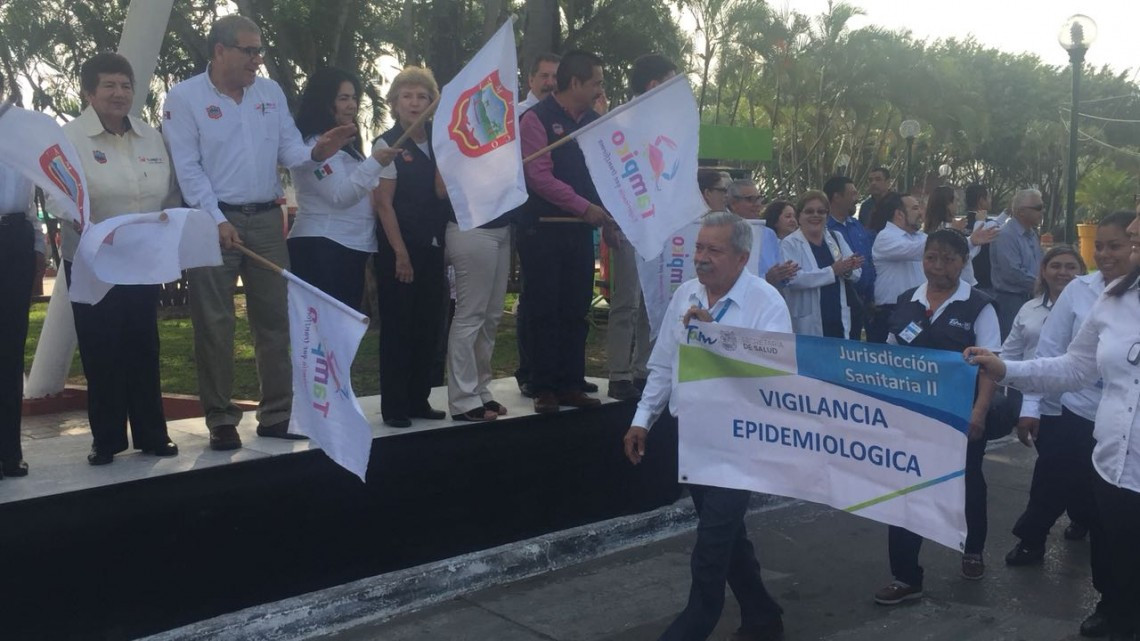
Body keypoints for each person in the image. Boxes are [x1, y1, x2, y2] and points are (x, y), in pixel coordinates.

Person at [163, 15, 354, 450]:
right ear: (220, 51)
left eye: (259, 50)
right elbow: (188, 169)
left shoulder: (268, 92)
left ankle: (276, 415)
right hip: (211, 220)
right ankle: (221, 418)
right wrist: (216, 219)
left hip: (267, 217)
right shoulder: (184, 97)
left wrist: (317, 150)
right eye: (249, 51)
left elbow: (289, 149)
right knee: (215, 322)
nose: (257, 59)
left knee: (274, 321)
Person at [966, 207, 1140, 641]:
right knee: (1116, 549)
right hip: (1115, 463)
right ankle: (1115, 609)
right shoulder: (1112, 299)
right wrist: (1006, 369)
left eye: (1133, 241)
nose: (1122, 251)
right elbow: (1073, 367)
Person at [623, 212, 789, 641]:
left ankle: (693, 625)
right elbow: (662, 364)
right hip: (692, 436)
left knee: (711, 545)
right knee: (729, 538)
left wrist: (716, 337)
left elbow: (777, 375)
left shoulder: (766, 303)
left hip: (740, 440)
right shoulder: (685, 296)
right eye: (699, 248)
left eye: (714, 250)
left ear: (741, 258)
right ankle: (762, 615)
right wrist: (642, 419)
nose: (702, 258)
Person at [56, 53, 181, 464]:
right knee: (101, 348)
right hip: (93, 260)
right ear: (89, 92)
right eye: (109, 85)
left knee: (143, 345)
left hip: (141, 259)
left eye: (126, 86)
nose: (119, 93)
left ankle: (151, 434)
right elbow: (59, 198)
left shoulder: (150, 136)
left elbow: (168, 192)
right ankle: (106, 439)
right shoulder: (70, 138)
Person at [873, 229, 1000, 604]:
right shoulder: (906, 301)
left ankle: (972, 548)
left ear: (963, 262)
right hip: (911, 417)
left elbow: (989, 366)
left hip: (960, 417)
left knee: (966, 484)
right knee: (906, 487)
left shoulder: (979, 306)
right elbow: (888, 358)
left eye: (948, 259)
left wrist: (978, 413)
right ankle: (906, 575)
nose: (938, 266)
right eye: (932, 258)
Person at [517, 50, 614, 413]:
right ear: (575, 83)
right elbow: (538, 176)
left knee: (576, 308)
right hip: (542, 230)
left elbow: (606, 174)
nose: (600, 89)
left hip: (579, 231)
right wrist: (583, 207)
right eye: (596, 82)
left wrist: (606, 217)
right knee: (544, 308)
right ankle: (542, 386)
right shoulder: (536, 119)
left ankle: (572, 382)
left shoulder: (594, 121)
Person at [371, 66, 450, 428]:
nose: (415, 103)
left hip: (434, 245)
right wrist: (400, 253)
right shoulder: (387, 145)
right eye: (407, 96)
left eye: (422, 96)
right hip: (399, 249)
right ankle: (395, 405)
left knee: (429, 324)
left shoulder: (441, 141)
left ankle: (419, 397)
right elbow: (383, 204)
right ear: (394, 102)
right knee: (399, 327)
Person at [288, 67, 396, 309]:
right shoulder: (315, 144)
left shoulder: (350, 146)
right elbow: (340, 196)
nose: (352, 105)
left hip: (349, 248)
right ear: (325, 101)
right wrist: (375, 163)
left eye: (354, 98)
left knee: (340, 337)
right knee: (322, 336)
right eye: (343, 98)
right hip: (322, 247)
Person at [603, 53, 676, 402]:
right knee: (627, 300)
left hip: (662, 224)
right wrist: (613, 220)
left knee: (655, 298)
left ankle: (644, 369)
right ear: (654, 85)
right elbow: (610, 176)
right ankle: (618, 373)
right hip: (633, 224)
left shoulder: (666, 122)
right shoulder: (621, 121)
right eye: (671, 80)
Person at [0, 68, 44, 479]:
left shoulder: (20, 129)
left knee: (9, 349)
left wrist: (38, 247)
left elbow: (30, 199)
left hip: (12, 236)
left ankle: (8, 453)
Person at [513, 52, 561, 399]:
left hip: (563, 217)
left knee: (562, 302)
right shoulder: (517, 116)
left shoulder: (566, 117)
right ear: (530, 79)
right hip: (529, 216)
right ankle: (529, 370)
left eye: (555, 77)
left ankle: (558, 371)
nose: (549, 83)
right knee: (534, 298)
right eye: (543, 75)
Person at [781, 190, 863, 338]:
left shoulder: (836, 238)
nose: (815, 215)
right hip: (807, 323)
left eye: (821, 211)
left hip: (838, 318)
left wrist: (848, 269)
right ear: (799, 216)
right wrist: (832, 271)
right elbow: (794, 279)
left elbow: (856, 273)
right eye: (809, 211)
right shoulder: (789, 244)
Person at [868, 192, 924, 344]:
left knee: (913, 358)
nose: (920, 213)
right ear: (899, 214)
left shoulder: (920, 237)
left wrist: (971, 241)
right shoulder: (885, 237)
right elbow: (917, 250)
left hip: (917, 311)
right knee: (887, 361)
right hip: (892, 312)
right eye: (915, 208)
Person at [824, 175, 875, 340]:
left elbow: (868, 262)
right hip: (839, 304)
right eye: (852, 194)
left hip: (863, 303)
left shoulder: (856, 226)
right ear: (837, 197)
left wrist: (871, 296)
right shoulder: (824, 229)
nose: (857, 198)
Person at [990, 188, 1044, 340]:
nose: (1042, 211)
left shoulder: (1031, 233)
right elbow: (1012, 273)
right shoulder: (1005, 235)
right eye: (1038, 208)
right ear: (1021, 212)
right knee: (1011, 348)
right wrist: (1042, 284)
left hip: (1031, 297)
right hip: (1011, 301)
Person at [921, 185, 999, 287]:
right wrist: (972, 234)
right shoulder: (942, 229)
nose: (958, 204)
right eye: (955, 201)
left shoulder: (947, 225)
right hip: (956, 284)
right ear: (947, 204)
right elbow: (965, 255)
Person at [726, 179, 797, 287]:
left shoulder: (768, 234)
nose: (758, 204)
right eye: (751, 199)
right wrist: (766, 278)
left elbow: (779, 275)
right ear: (733, 203)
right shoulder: (723, 232)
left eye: (759, 199)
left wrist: (784, 274)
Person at [963, 183, 997, 293]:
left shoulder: (960, 224)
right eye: (989, 197)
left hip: (963, 278)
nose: (991, 200)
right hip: (985, 281)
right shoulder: (988, 225)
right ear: (981, 200)